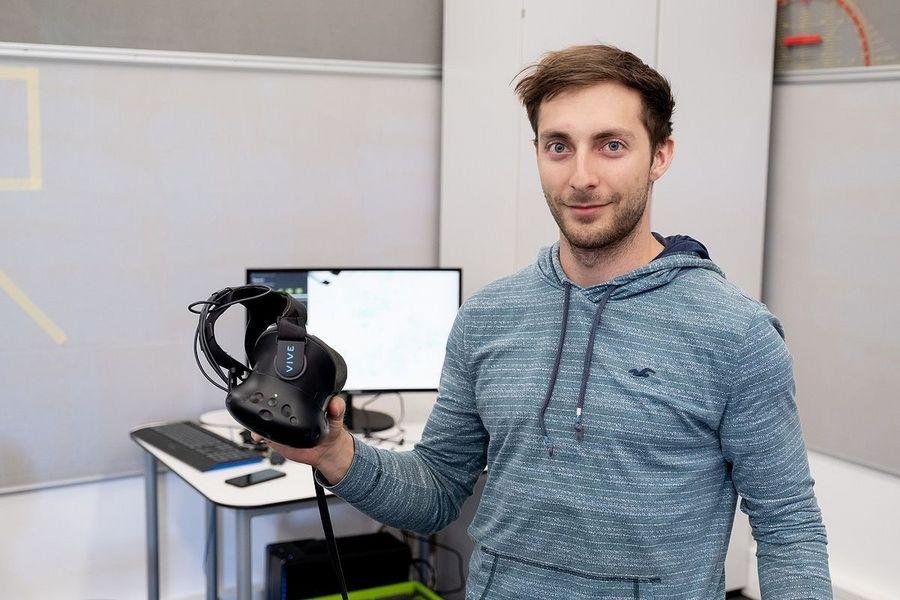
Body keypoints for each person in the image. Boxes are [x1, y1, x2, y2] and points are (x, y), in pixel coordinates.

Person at [264, 45, 832, 599]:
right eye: (559, 146)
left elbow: (788, 528)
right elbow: (436, 489)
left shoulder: (735, 332)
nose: (580, 176)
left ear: (660, 155)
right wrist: (333, 451)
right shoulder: (488, 318)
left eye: (611, 145)